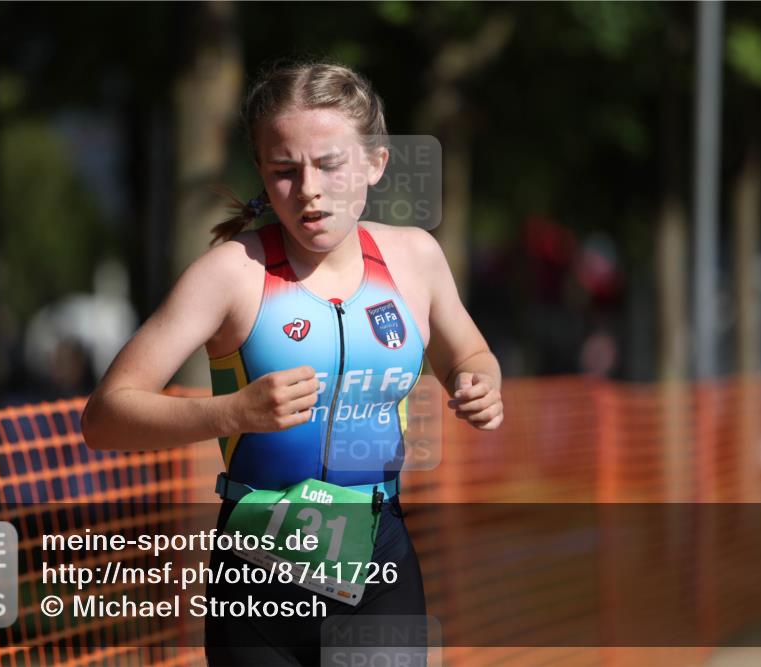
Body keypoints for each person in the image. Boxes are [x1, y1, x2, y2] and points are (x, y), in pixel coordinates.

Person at [82, 60, 503, 666]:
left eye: (331, 164)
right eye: (284, 170)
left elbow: (468, 354)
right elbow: (106, 417)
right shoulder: (231, 273)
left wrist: (479, 382)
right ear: (261, 169)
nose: (308, 189)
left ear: (375, 163)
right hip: (257, 571)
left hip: (376, 558)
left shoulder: (414, 259)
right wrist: (231, 412)